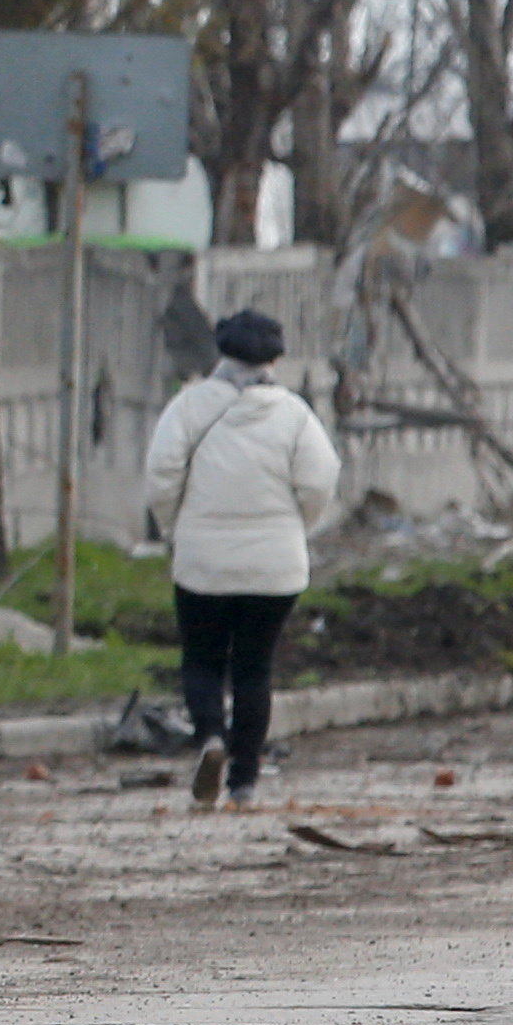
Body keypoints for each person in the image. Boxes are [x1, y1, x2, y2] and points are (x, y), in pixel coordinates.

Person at [144, 306, 342, 813]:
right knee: (255, 668)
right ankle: (244, 782)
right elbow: (320, 480)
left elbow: (162, 475)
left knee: (203, 659)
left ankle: (210, 736)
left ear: (222, 351)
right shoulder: (295, 414)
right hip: (275, 568)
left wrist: (176, 528)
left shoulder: (189, 407)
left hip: (203, 562)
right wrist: (296, 526)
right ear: (274, 358)